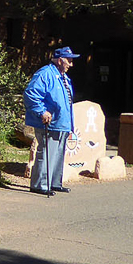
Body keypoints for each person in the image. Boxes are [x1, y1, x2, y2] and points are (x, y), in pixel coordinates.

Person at [23, 46, 81, 197]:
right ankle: (40, 184)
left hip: (62, 123)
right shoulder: (46, 73)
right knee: (47, 152)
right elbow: (31, 93)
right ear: (60, 60)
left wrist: (70, 126)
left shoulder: (63, 77)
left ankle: (54, 182)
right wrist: (42, 111)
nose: (71, 64)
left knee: (58, 154)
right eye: (69, 60)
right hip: (50, 122)